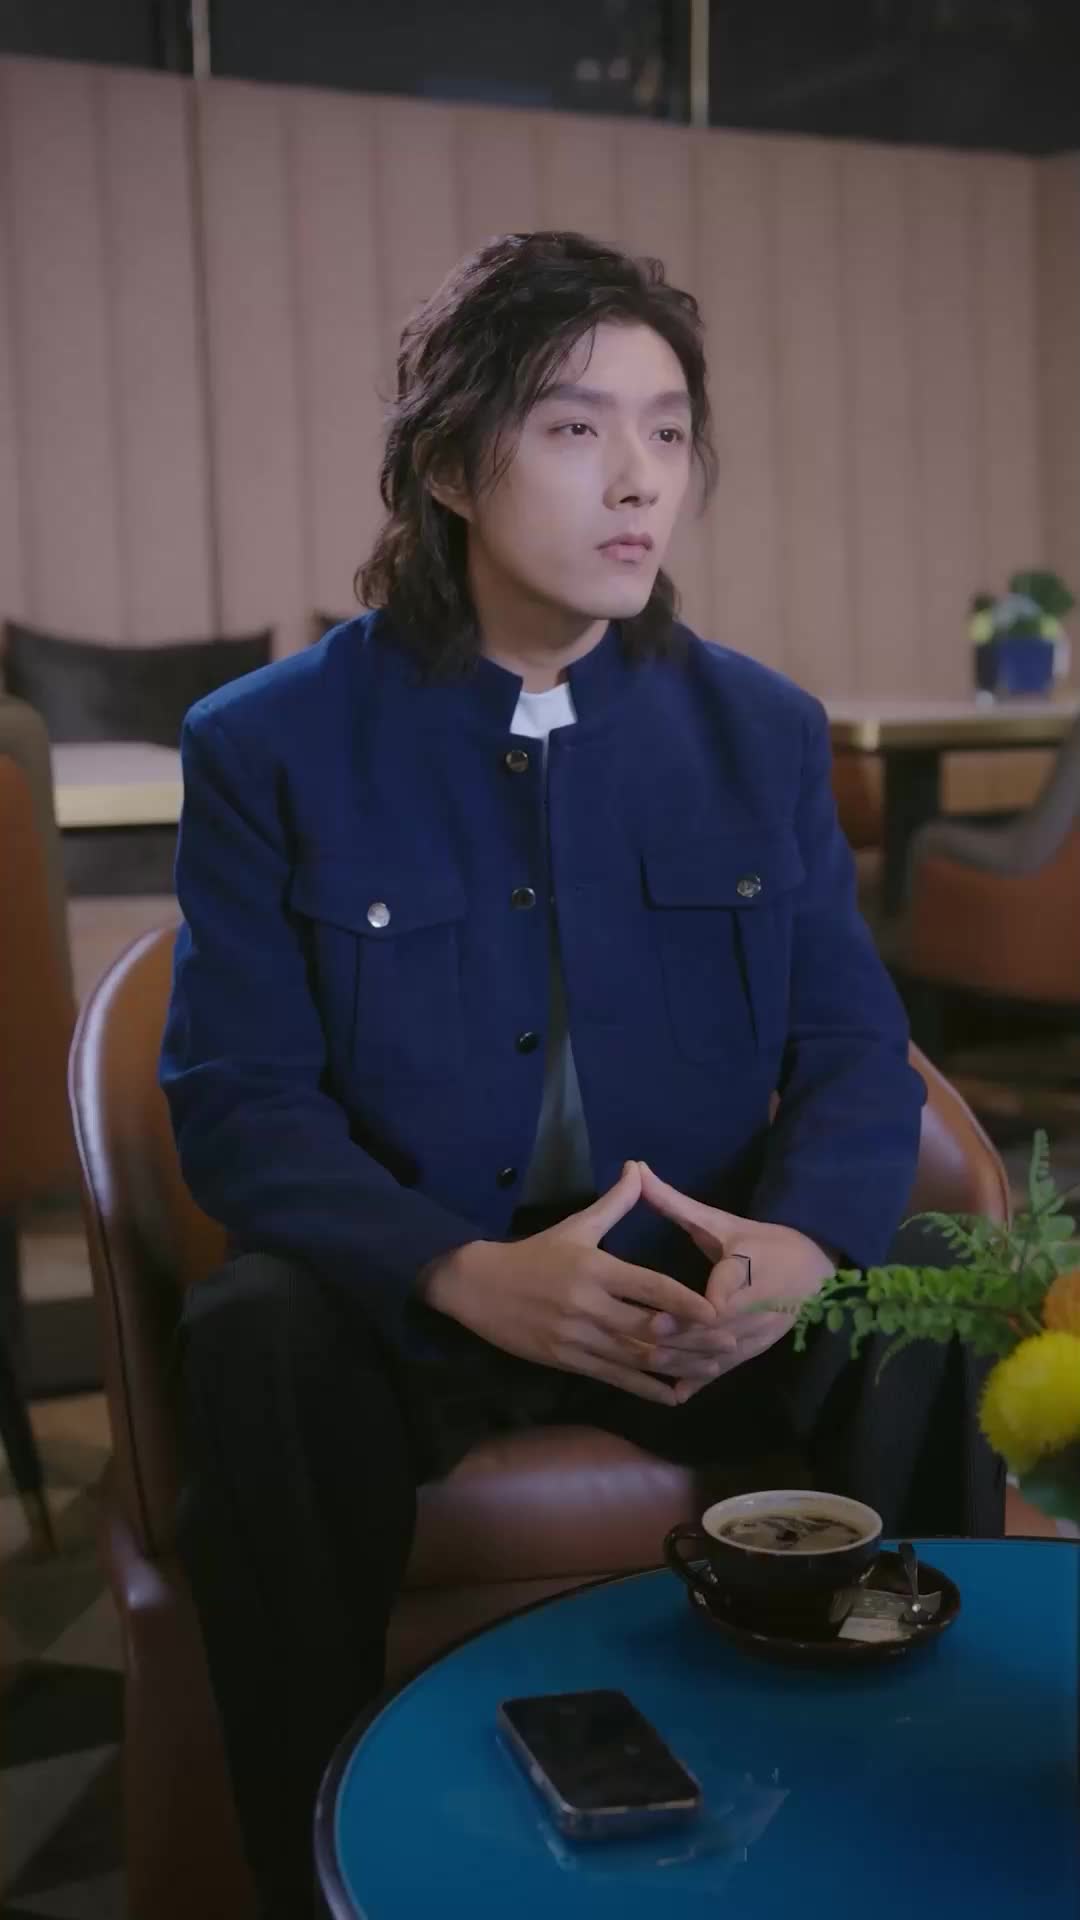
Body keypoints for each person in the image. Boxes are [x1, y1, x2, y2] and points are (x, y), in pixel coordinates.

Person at [161, 230, 1003, 1917]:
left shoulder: (760, 732)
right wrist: (464, 1274)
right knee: (254, 1334)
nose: (639, 479)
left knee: (929, 1279)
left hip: (698, 1294)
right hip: (417, 1307)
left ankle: (910, 1826)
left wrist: (799, 1252)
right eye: (573, 427)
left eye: (668, 430)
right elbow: (239, 1099)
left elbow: (855, 1048)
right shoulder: (266, 743)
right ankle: (320, 1869)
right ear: (449, 466)